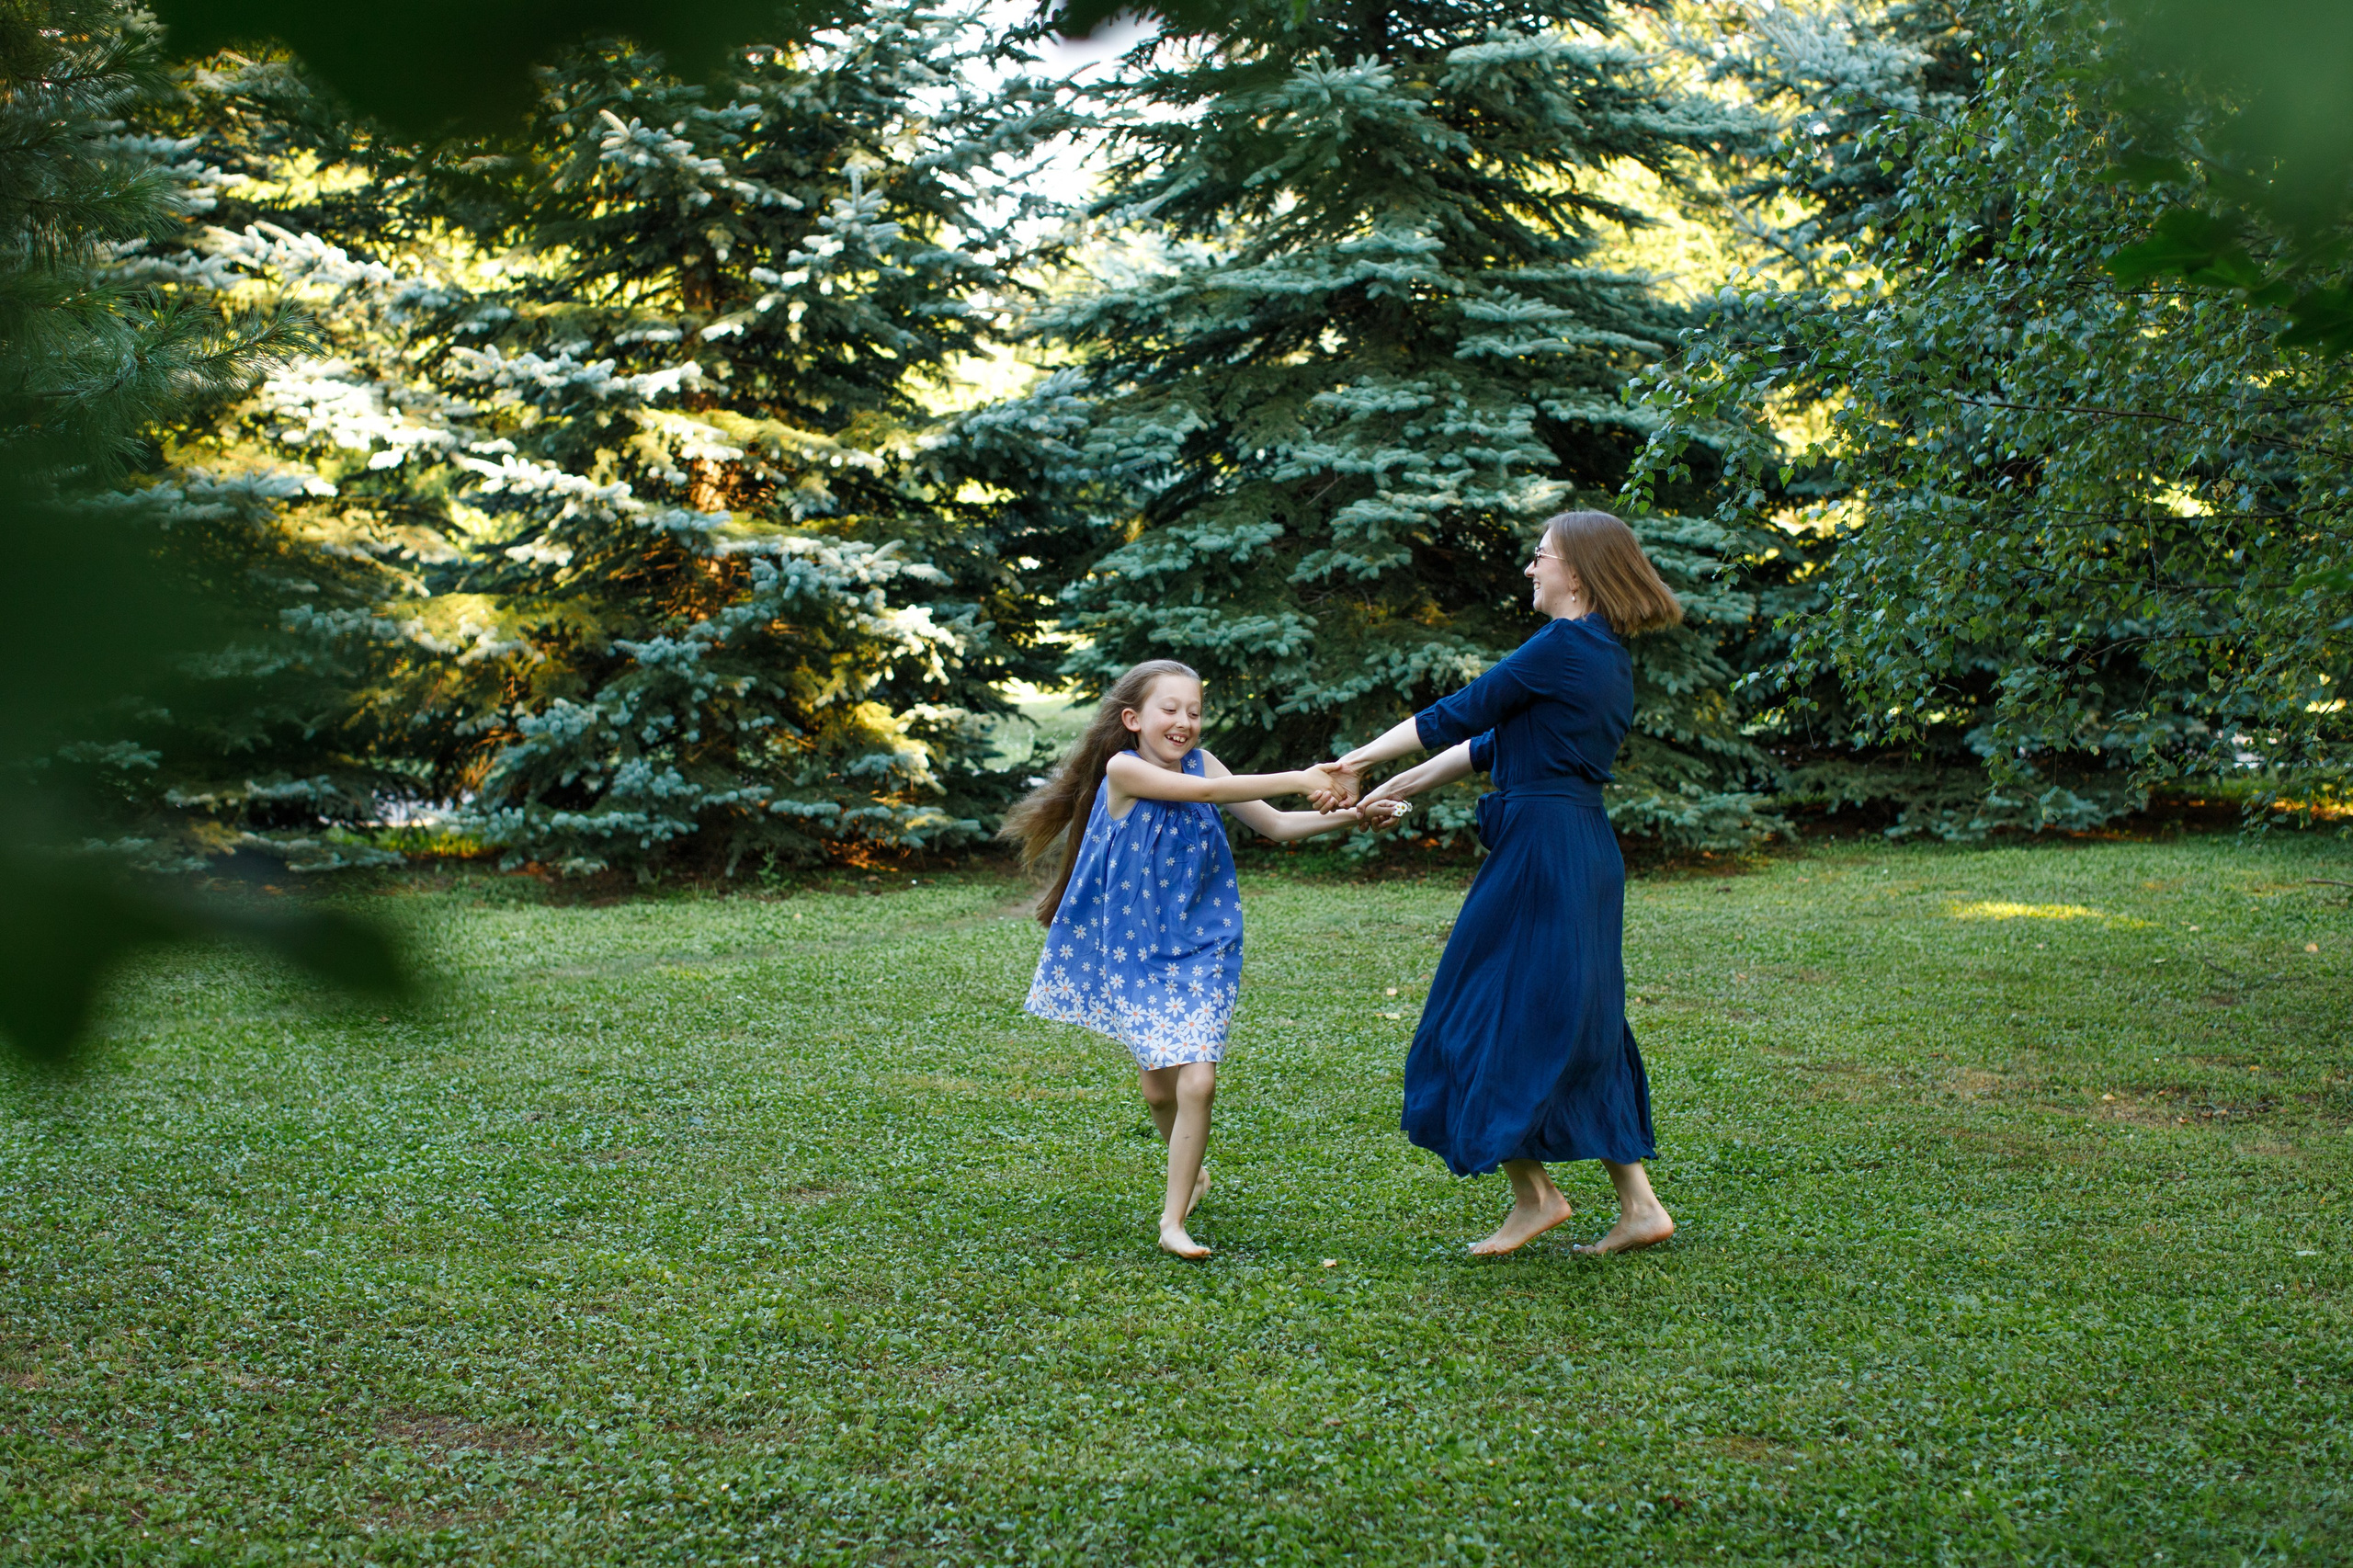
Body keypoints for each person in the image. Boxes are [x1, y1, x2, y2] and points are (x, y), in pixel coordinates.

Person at [1318, 510, 1681, 1256]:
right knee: (1579, 1021)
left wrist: (1352, 762)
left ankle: (1537, 1197)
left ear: (1576, 571)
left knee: (1474, 1014)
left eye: (1540, 555)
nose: (1530, 568)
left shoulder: (1564, 645)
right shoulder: (1601, 654)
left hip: (1543, 853)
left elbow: (1457, 713)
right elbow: (1483, 743)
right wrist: (1388, 790)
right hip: (1575, 847)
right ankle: (1639, 1206)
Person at [1002, 659, 1408, 1259]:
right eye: (1170, 709)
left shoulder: (1203, 761)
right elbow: (1209, 795)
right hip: (1138, 948)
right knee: (1158, 1091)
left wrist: (1355, 814)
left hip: (1204, 943)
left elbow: (1275, 826)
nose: (1185, 722)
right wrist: (1301, 776)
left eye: (1194, 711)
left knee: (1198, 1079)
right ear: (1133, 719)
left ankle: (1173, 1221)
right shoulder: (1124, 769)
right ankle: (1192, 1174)